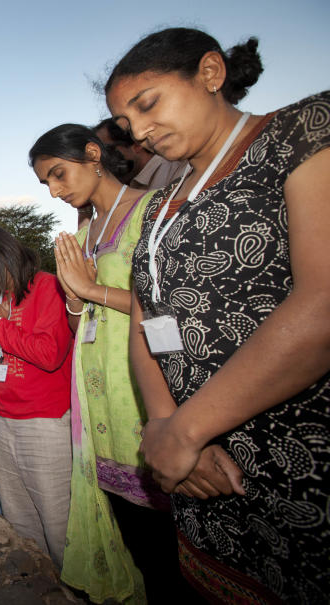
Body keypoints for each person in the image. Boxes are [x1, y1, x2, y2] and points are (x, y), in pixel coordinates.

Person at [106, 27, 329, 602]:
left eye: (148, 103)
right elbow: (144, 321)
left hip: (300, 456)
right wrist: (163, 425)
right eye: (129, 127)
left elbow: (322, 302)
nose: (143, 132)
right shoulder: (158, 206)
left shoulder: (302, 131)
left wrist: (185, 429)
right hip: (200, 470)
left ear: (210, 74)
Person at [30, 123, 196, 601]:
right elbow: (79, 316)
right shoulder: (83, 234)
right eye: (47, 184)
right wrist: (77, 300)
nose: (56, 191)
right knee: (135, 540)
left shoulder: (154, 210)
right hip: (98, 396)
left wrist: (89, 289)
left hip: (143, 390)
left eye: (59, 175)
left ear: (92, 153)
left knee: (169, 543)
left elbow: (172, 306)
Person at [0, 225, 73, 568]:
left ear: (2, 253)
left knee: (58, 524)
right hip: (3, 420)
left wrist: (0, 326)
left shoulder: (46, 286)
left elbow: (50, 353)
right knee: (21, 521)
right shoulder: (1, 300)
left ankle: (75, 589)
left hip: (44, 422)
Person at [94, 118, 188, 191]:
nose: (102, 161)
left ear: (136, 145)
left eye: (106, 151)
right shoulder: (128, 187)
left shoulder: (174, 170)